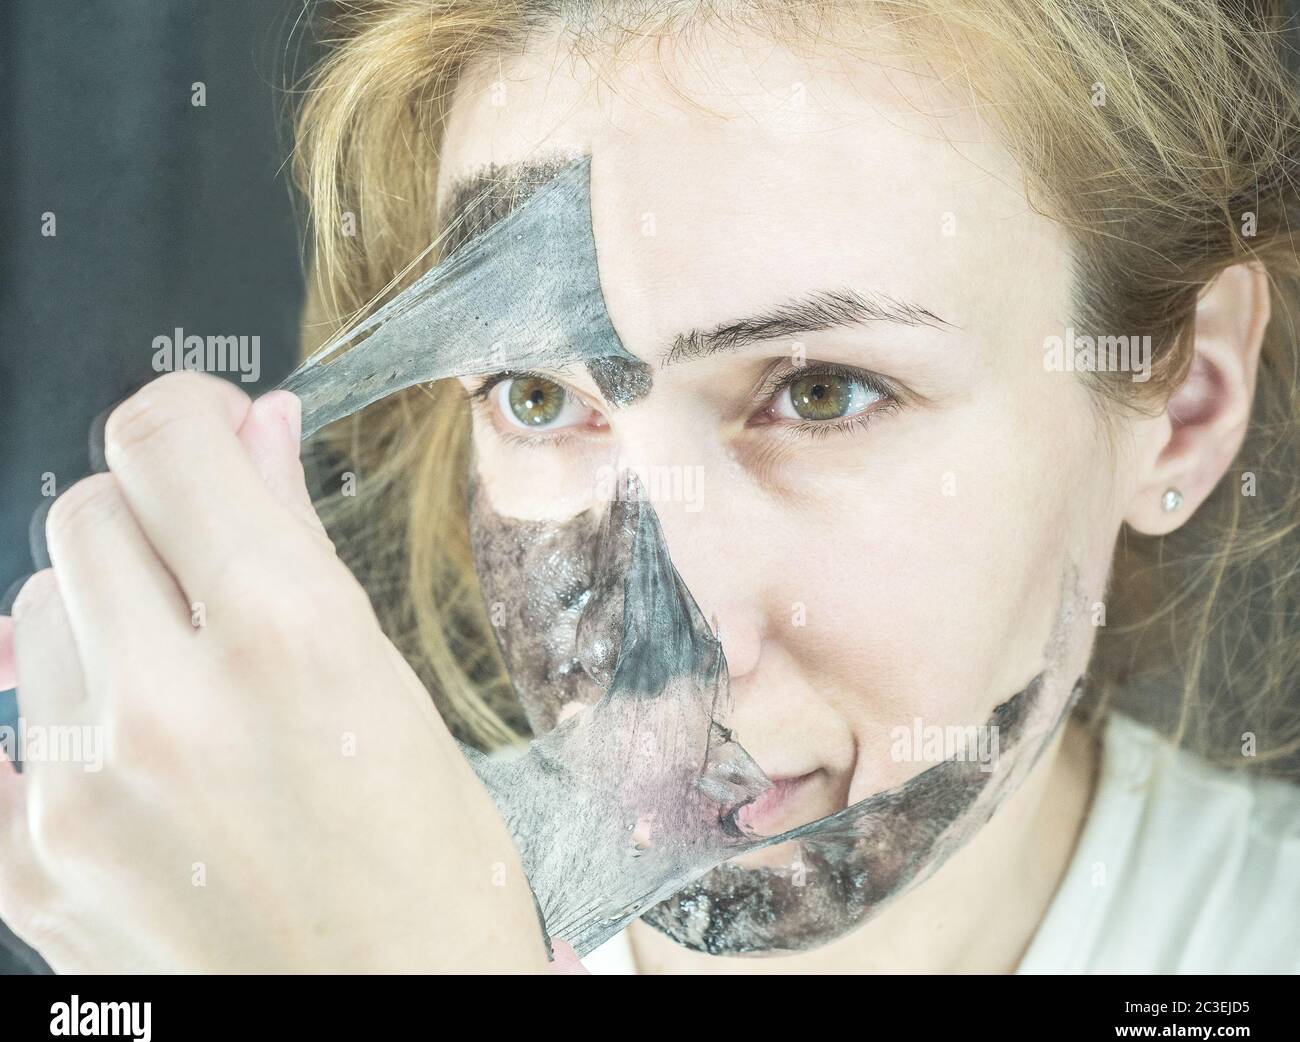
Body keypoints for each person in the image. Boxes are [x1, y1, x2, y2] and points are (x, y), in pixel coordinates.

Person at [1, 0, 1297, 974]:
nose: (667, 654)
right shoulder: (196, 906)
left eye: (822, 392)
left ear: (1180, 412)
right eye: (537, 396)